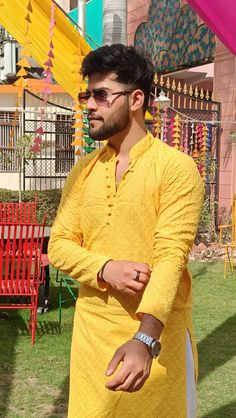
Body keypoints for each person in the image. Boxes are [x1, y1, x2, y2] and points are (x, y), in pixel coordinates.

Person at [48, 43, 204, 418]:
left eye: (101, 95)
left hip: (154, 342)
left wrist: (145, 339)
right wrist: (105, 268)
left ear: (136, 99)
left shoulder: (175, 168)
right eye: (88, 94)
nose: (89, 106)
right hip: (90, 344)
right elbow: (59, 245)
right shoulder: (82, 171)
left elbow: (170, 257)